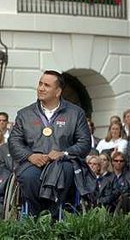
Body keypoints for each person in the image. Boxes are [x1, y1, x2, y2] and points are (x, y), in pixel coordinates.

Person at [8, 70, 93, 218]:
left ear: (58, 91)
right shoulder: (25, 114)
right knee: (29, 177)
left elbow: (85, 143)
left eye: (46, 85)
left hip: (64, 162)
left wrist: (64, 153)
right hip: (33, 163)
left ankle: (56, 216)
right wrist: (30, 155)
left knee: (65, 172)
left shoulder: (75, 113)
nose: (41, 88)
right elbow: (14, 141)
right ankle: (36, 216)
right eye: (40, 84)